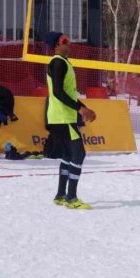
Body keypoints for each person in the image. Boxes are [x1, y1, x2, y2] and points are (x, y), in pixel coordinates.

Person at [44, 31, 96, 210]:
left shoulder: (62, 63)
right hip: (63, 118)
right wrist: (81, 109)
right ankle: (71, 197)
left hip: (61, 117)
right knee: (78, 154)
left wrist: (84, 108)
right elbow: (58, 92)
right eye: (65, 41)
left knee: (67, 155)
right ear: (56, 45)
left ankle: (60, 195)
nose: (69, 44)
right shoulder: (58, 62)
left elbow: (68, 93)